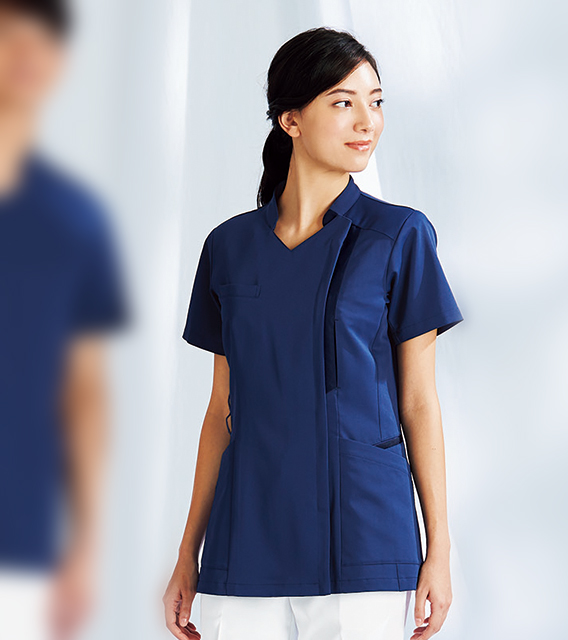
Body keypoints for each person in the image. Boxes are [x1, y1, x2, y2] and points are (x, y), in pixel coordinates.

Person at [164, 26, 463, 640]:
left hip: (363, 538)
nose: (367, 121)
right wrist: (188, 553)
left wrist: (439, 547)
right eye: (343, 102)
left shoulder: (399, 236)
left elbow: (418, 402)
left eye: (375, 101)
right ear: (291, 120)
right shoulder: (229, 247)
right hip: (244, 539)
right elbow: (221, 410)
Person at [0, 1, 128, 639]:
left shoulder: (75, 220)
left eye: (43, 40)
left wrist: (86, 545)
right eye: (10, 35)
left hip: (21, 550)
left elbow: (85, 392)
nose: (28, 54)